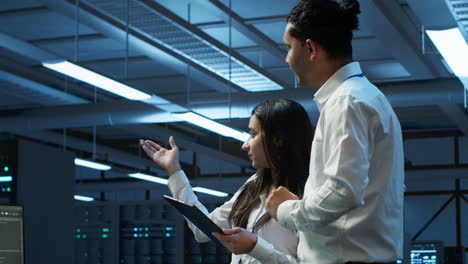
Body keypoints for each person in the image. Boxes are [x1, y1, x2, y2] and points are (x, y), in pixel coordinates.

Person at [262, 1, 405, 264]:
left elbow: (343, 192)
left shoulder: (346, 102)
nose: (286, 58)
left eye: (288, 48)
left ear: (310, 48)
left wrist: (285, 209)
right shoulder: (363, 98)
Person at [140, 99, 314, 264]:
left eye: (253, 134)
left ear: (278, 139)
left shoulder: (310, 194)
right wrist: (174, 171)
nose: (245, 145)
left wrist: (256, 247)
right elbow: (203, 231)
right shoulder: (254, 185)